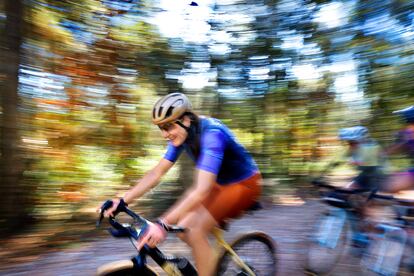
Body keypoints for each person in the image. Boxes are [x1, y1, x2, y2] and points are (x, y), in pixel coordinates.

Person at [102, 93, 262, 276]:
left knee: (194, 231)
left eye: (167, 126)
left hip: (245, 184)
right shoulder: (182, 135)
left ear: (186, 120)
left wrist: (162, 224)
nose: (164, 135)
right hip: (219, 185)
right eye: (161, 128)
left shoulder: (212, 135)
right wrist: (122, 200)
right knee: (183, 229)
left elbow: (201, 189)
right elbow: (157, 172)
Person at [381, 106, 414, 193]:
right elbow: (397, 146)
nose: (405, 126)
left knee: (389, 186)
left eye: (407, 121)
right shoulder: (408, 135)